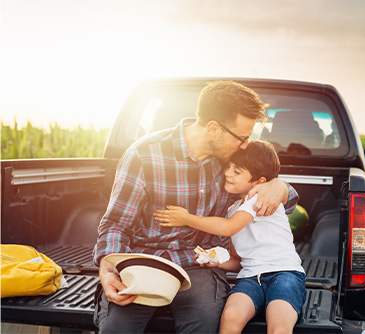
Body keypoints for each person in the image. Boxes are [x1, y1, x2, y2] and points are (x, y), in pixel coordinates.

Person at [92, 80, 299, 334]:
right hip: (145, 263)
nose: (245, 145)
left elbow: (269, 197)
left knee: (203, 325)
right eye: (242, 138)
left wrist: (281, 186)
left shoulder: (230, 165)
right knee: (116, 330)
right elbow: (116, 224)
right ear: (213, 129)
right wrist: (107, 268)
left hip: (198, 265)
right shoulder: (143, 156)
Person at [154, 140, 306, 334]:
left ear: (259, 182)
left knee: (279, 325)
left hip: (285, 274)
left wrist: (186, 219)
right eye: (229, 167)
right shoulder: (234, 210)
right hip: (251, 278)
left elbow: (227, 228)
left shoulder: (259, 199)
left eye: (237, 171)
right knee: (230, 317)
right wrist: (216, 261)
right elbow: (237, 261)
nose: (227, 173)